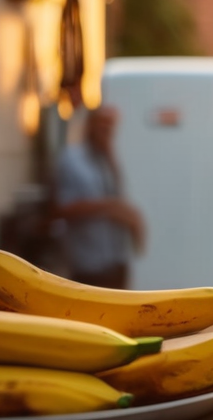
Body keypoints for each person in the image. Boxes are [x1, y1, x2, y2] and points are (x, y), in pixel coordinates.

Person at [52, 105, 144, 289]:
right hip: (88, 267)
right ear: (90, 125)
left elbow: (118, 195)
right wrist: (108, 208)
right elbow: (61, 207)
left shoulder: (108, 159)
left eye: (111, 126)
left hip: (116, 264)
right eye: (103, 124)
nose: (107, 130)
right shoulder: (71, 159)